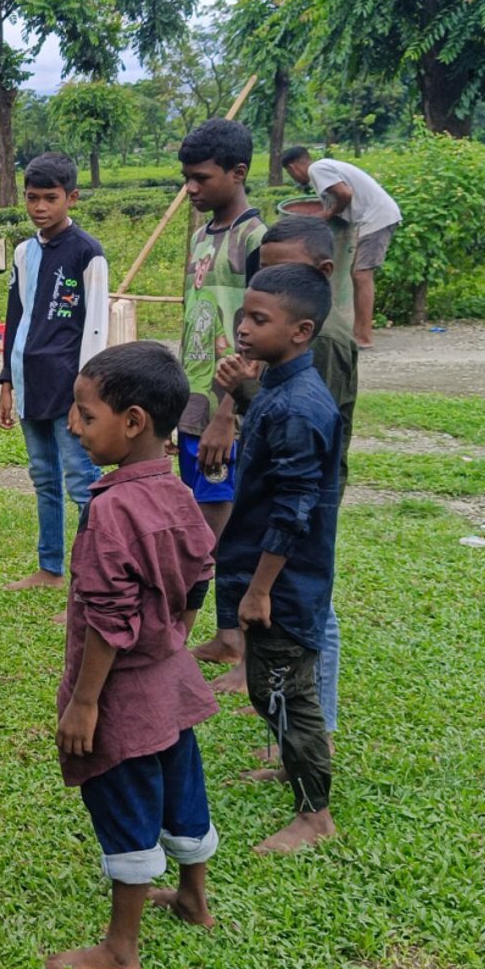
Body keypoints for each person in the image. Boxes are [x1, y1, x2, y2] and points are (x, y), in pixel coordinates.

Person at [50, 342, 219, 969]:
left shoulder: (111, 508)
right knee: (182, 787)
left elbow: (109, 619)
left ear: (134, 421)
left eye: (86, 415)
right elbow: (202, 570)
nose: (74, 425)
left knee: (126, 805)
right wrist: (176, 633)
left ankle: (120, 948)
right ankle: (195, 899)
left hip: (120, 696)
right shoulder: (176, 492)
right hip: (172, 686)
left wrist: (85, 701)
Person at [217, 215, 359, 753]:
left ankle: (310, 735)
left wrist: (245, 398)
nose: (274, 286)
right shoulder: (280, 359)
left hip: (303, 497)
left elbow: (303, 437)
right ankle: (291, 736)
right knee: (289, 609)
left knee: (310, 614)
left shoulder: (323, 347)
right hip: (286, 492)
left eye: (287, 275)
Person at [216, 263, 343, 854]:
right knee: (267, 686)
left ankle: (315, 816)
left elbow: (295, 507)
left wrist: (260, 588)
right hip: (267, 566)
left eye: (259, 320)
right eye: (245, 315)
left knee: (290, 688)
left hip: (285, 577)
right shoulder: (277, 389)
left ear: (301, 331)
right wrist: (240, 392)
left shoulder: (299, 407)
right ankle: (294, 768)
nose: (244, 328)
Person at [175, 119, 267, 693]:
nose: (191, 189)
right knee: (202, 524)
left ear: (237, 173)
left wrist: (227, 413)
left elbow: (259, 337)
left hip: (225, 413)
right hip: (193, 404)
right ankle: (226, 636)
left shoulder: (259, 239)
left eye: (200, 178)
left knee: (223, 531)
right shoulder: (201, 234)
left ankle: (247, 657)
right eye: (185, 179)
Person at [0, 152, 109, 592]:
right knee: (44, 477)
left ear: (72, 198)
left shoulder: (88, 253)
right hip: (29, 383)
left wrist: (86, 399)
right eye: (31, 198)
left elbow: (96, 328)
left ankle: (93, 575)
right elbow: (16, 315)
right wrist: (6, 381)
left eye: (50, 198)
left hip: (70, 390)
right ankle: (50, 567)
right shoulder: (25, 253)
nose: (40, 207)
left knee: (82, 482)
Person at [281, 146, 401, 348]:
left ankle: (363, 337)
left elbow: (344, 193)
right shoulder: (324, 166)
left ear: (293, 168)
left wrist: (327, 214)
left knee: (362, 275)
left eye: (290, 173)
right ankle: (359, 333)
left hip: (376, 218)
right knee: (359, 275)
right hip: (376, 216)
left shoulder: (317, 169)